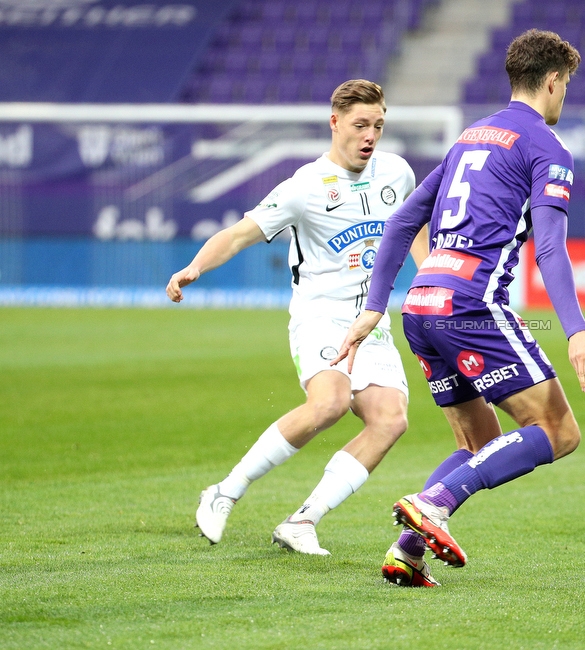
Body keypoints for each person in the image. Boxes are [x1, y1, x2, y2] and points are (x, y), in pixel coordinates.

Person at [334, 30, 585, 588]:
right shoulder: (547, 148)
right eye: (566, 86)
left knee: (476, 443)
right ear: (552, 81)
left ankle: (407, 551)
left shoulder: (470, 139)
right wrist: (575, 329)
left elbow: (404, 221)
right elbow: (550, 247)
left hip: (421, 306)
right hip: (471, 305)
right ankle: (434, 505)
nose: (564, 97)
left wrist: (375, 306)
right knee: (557, 430)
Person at [165, 79, 429, 557]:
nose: (370, 135)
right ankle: (225, 490)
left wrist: (431, 275)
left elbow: (413, 230)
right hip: (320, 316)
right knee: (328, 404)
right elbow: (239, 235)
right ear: (335, 123)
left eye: (378, 125)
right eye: (360, 125)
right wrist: (194, 267)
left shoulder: (397, 173)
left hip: (370, 321)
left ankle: (302, 521)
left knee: (390, 421)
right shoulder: (305, 187)